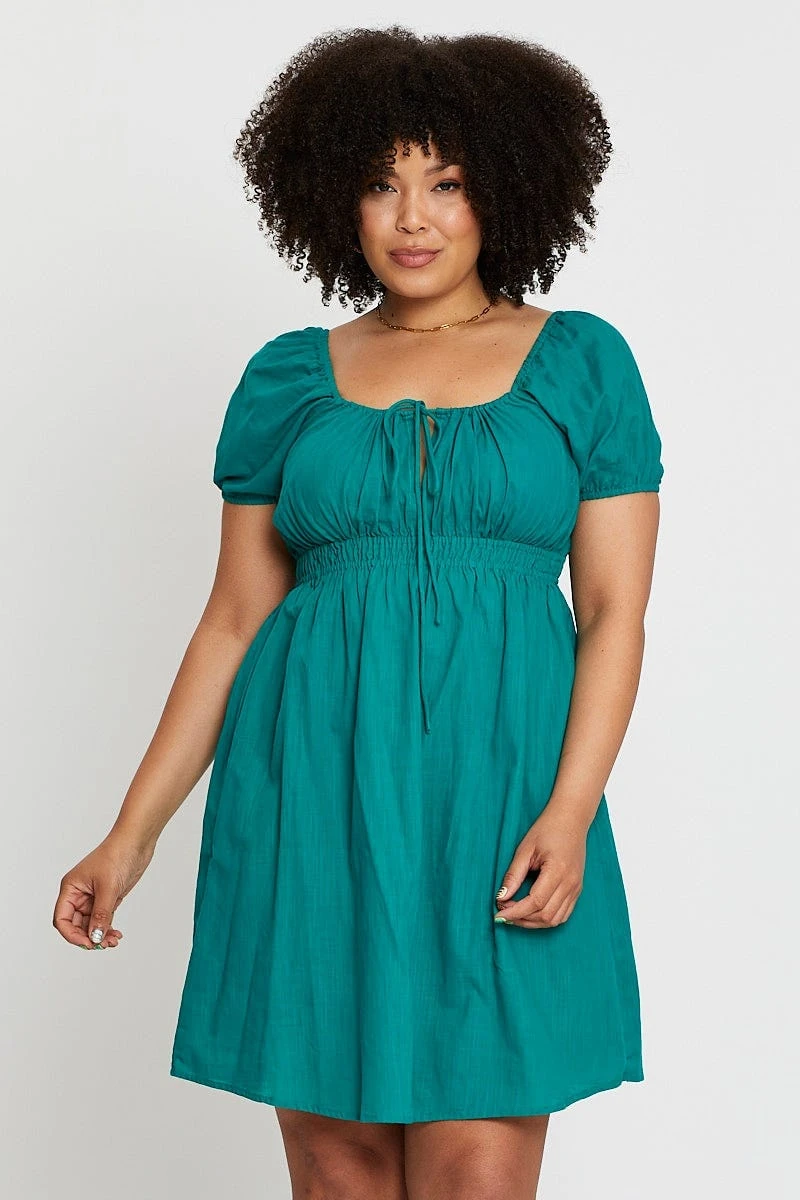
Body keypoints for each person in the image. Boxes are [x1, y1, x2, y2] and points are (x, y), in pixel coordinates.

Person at [53, 25, 664, 1199]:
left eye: (445, 183)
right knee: (337, 1179)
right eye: (380, 185)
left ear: (503, 190)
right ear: (333, 195)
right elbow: (233, 622)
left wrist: (571, 807)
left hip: (501, 798)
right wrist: (128, 838)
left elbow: (611, 612)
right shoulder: (289, 378)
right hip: (313, 795)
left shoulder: (579, 364)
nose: (410, 217)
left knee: (476, 1171)